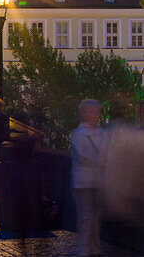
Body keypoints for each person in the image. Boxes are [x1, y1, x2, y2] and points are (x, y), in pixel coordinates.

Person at [70, 99, 109, 257]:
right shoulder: (81, 134)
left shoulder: (82, 134)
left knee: (94, 218)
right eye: (92, 111)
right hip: (85, 182)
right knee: (87, 217)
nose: (95, 115)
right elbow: (86, 156)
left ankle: (92, 248)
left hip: (91, 180)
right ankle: (85, 249)